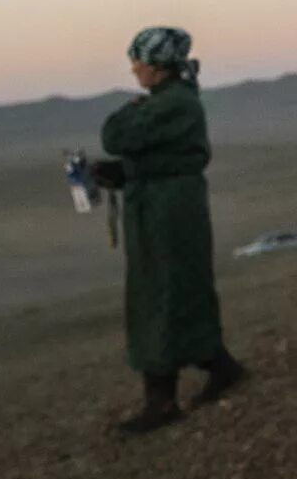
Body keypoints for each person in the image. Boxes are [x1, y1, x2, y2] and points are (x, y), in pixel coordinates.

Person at [95, 27, 245, 434]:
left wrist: (128, 115)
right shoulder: (172, 102)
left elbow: (115, 136)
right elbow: (159, 156)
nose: (134, 68)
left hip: (167, 212)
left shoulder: (172, 104)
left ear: (158, 65)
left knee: (160, 292)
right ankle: (223, 368)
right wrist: (124, 173)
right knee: (179, 287)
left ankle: (160, 402)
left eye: (139, 60)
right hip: (165, 207)